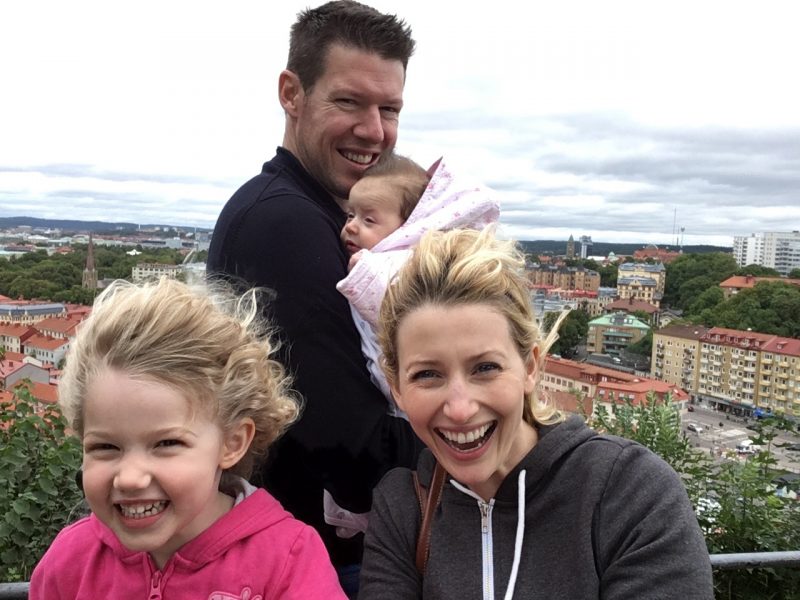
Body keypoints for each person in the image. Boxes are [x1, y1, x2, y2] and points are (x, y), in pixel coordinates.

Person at [359, 228, 715, 599]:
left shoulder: (628, 492)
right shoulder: (403, 509)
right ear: (396, 387)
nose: (460, 410)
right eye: (427, 375)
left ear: (530, 367)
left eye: (485, 368)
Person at [206, 1, 422, 587]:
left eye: (390, 109)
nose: (374, 131)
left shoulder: (327, 219)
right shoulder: (284, 225)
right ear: (291, 93)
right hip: (320, 565)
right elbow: (352, 451)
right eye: (349, 102)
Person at [29, 278, 346, 599]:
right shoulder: (71, 563)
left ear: (232, 442)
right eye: (105, 447)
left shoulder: (287, 562)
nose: (130, 478)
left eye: (166, 444)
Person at [337, 153, 499, 408]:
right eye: (350, 215)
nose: (352, 227)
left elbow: (398, 310)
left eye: (368, 219)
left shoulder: (408, 263)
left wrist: (366, 273)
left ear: (408, 227)